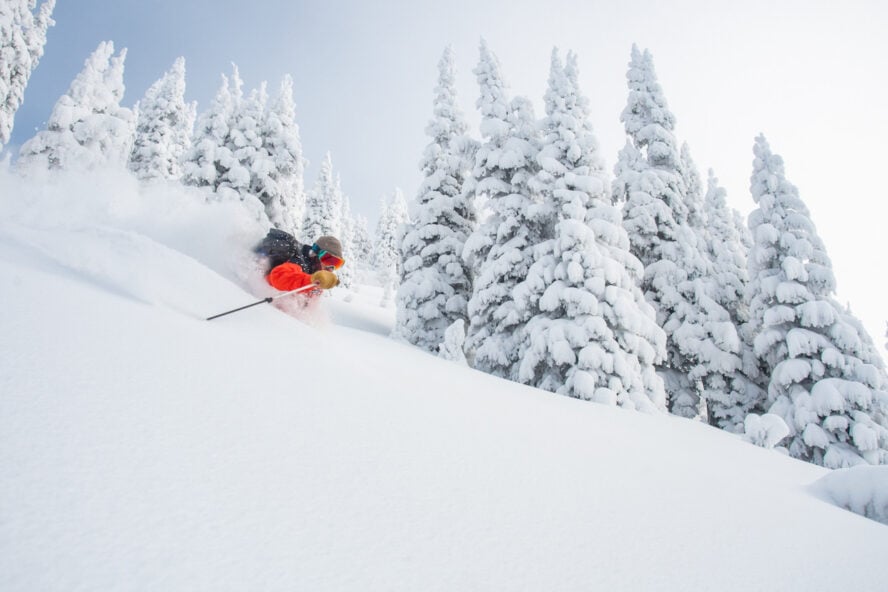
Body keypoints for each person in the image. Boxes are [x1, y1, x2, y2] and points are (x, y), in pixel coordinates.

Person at [255, 229, 344, 296]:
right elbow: (278, 276)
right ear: (315, 254)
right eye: (328, 259)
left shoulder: (314, 273)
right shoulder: (298, 261)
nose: (330, 267)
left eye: (336, 263)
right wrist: (311, 281)